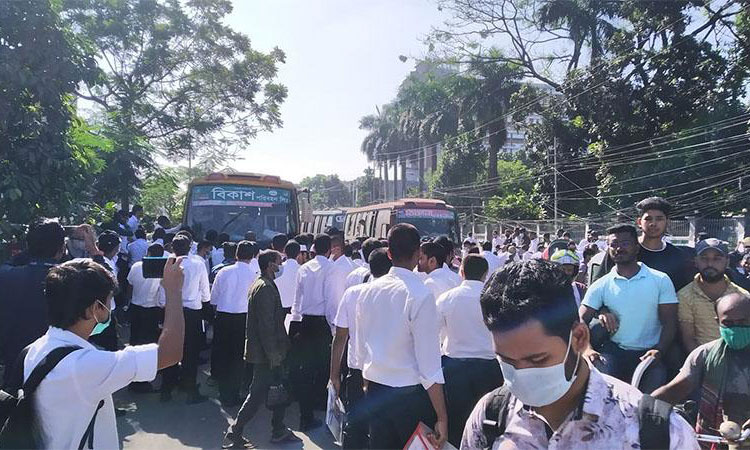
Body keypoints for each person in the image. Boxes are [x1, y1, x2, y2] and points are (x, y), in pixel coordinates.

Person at [461, 259, 698, 450]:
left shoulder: (654, 430)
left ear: (579, 338)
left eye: (538, 360)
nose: (522, 375)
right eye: (507, 361)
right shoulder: (491, 416)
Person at [11, 257, 185, 449]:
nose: (110, 308)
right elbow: (170, 353)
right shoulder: (83, 367)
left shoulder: (36, 348)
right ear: (95, 309)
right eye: (109, 301)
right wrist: (173, 291)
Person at [352, 224, 448, 449]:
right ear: (418, 255)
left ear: (389, 253)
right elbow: (429, 366)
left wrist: (367, 385)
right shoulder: (420, 294)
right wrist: (442, 417)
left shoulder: (367, 291)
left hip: (376, 391)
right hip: (409, 396)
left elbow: (360, 348)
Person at [580, 224, 678, 393]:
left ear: (636, 247)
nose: (619, 248)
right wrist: (587, 349)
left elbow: (669, 321)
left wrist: (659, 350)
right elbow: (581, 319)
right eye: (614, 244)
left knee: (648, 405)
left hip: (650, 354)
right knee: (603, 395)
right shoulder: (601, 284)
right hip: (615, 351)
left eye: (625, 243)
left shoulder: (660, 279)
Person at [222, 250, 299, 448]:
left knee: (278, 389)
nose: (281, 264)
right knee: (258, 394)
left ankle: (278, 428)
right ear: (270, 265)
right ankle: (236, 431)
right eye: (278, 261)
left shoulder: (263, 284)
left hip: (267, 351)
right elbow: (266, 325)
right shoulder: (264, 288)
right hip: (268, 353)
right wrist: (274, 355)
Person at [653, 293, 750, 440]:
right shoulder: (704, 355)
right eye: (728, 323)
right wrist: (642, 404)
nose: (735, 328)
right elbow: (676, 389)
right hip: (714, 437)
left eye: (742, 322)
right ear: (718, 322)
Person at [436, 254, 502, 447]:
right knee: (488, 420)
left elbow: (433, 332)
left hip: (454, 367)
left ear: (461, 272)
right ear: (485, 274)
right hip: (489, 366)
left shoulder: (447, 298)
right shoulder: (494, 298)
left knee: (457, 419)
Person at [330, 248, 392, 449]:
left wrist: (334, 376)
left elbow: (340, 338)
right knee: (382, 429)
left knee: (354, 424)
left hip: (357, 370)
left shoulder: (352, 293)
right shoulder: (398, 294)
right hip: (387, 372)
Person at [0, 219, 66, 384]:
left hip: (14, 362)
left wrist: (33, 251)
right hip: (59, 367)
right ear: (61, 249)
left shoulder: (7, 275)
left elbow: (10, 263)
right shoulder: (72, 280)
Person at [591, 197, 694, 291]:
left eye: (659, 219)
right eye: (648, 219)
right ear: (639, 222)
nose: (653, 223)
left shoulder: (676, 256)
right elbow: (597, 285)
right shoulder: (622, 250)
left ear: (667, 222)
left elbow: (681, 293)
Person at [157, 234, 210, 403]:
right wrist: (205, 303)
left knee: (169, 349)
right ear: (190, 247)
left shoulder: (167, 264)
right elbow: (204, 290)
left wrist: (163, 304)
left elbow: (162, 289)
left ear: (172, 248)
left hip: (171, 310)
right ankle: (190, 390)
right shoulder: (198, 264)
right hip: (192, 312)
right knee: (190, 352)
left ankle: (167, 389)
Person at [289, 233, 334, 430]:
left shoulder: (304, 269)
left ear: (314, 249)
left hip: (305, 322)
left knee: (305, 368)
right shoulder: (332, 269)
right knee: (323, 366)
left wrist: (296, 323)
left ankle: (305, 415)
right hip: (323, 323)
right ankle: (319, 404)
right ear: (330, 249)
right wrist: (334, 328)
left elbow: (297, 299)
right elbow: (331, 301)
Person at [210, 241, 260, 406]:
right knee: (238, 357)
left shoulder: (223, 272)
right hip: (243, 318)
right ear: (252, 256)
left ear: (236, 254)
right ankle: (234, 392)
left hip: (223, 317)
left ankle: (223, 392)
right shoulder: (254, 275)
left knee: (223, 354)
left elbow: (214, 297)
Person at [678, 238, 749, 353]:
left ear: (727, 262)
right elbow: (689, 340)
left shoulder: (742, 296)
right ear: (695, 261)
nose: (710, 264)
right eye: (704, 258)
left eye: (717, 259)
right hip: (702, 357)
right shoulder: (685, 296)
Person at [126, 243, 166, 393]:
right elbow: (162, 294)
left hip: (136, 308)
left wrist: (128, 303)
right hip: (151, 312)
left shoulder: (136, 266)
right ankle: (142, 382)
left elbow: (129, 285)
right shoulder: (161, 270)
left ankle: (132, 377)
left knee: (134, 342)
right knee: (147, 346)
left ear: (148, 252)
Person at [324, 236, 358, 331]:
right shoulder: (350, 264)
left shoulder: (338, 269)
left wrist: (332, 322)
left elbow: (335, 298)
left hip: (338, 321)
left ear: (337, 249)